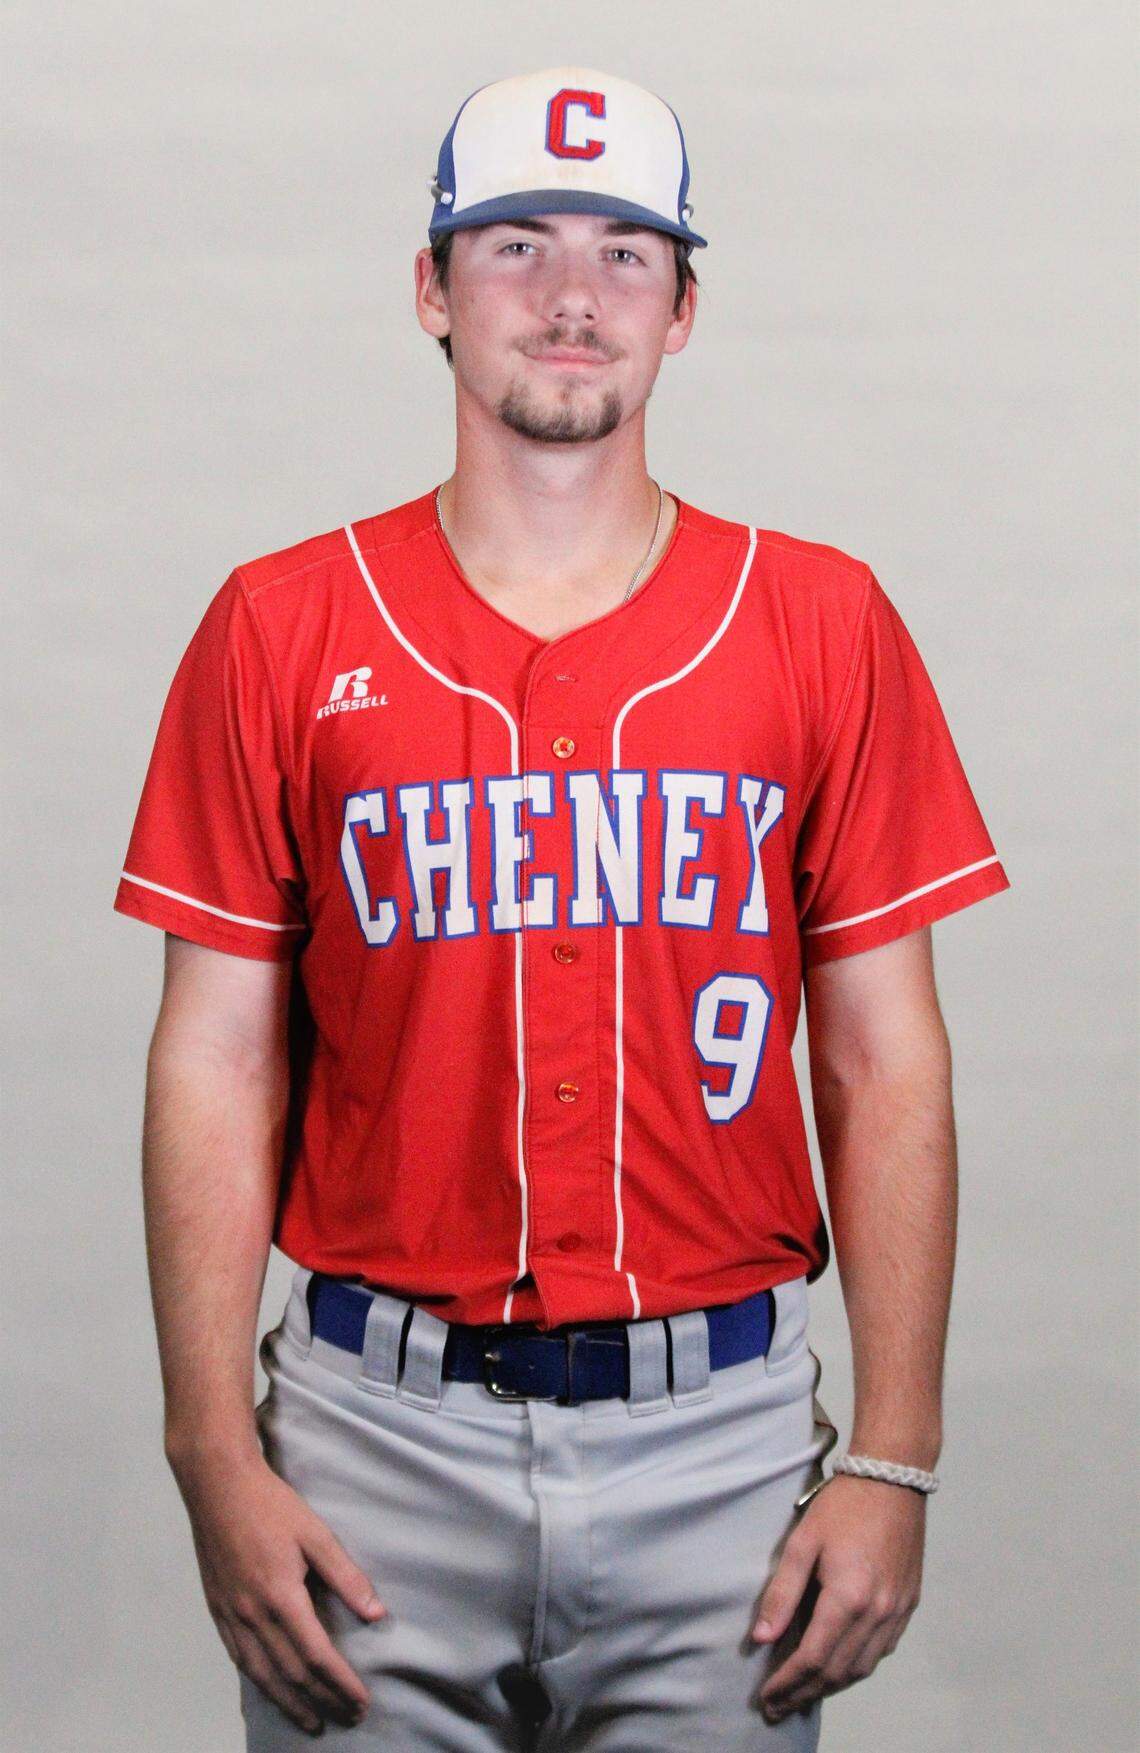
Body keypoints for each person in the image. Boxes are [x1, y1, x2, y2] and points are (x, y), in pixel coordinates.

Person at [114, 65, 1011, 1750]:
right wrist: (208, 1450)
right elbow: (215, 1056)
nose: (572, 295)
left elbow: (888, 1061)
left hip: (725, 1449)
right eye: (515, 243)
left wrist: (892, 1452)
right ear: (431, 286)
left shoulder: (820, 620)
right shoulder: (279, 623)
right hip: (371, 1444)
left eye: (624, 248)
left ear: (685, 306)